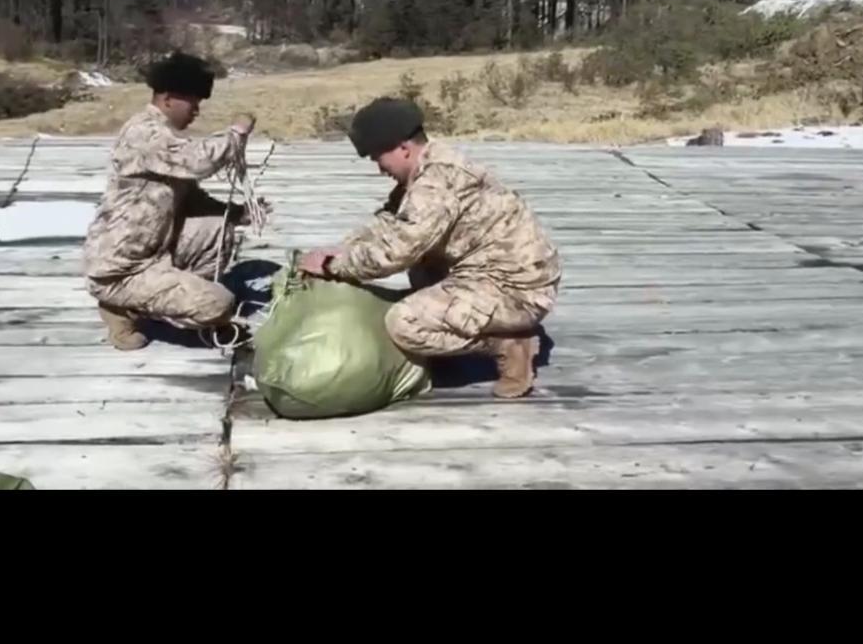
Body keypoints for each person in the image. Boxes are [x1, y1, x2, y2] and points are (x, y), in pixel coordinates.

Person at [299, 98, 561, 400]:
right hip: (492, 272)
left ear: (403, 148)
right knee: (422, 267)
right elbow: (389, 223)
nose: (379, 170)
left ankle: (509, 344)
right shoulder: (428, 165)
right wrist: (340, 249)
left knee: (404, 323)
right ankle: (467, 326)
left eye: (377, 158)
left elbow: (395, 251)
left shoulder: (434, 184)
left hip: (518, 290)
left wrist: (334, 266)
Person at [84, 52, 259, 350]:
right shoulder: (145, 133)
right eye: (193, 102)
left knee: (218, 228)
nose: (196, 111)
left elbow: (192, 197)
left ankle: (170, 297)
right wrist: (235, 135)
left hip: (154, 252)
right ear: (167, 99)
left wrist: (237, 213)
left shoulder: (166, 137)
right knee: (219, 304)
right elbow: (197, 161)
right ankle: (122, 306)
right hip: (121, 269)